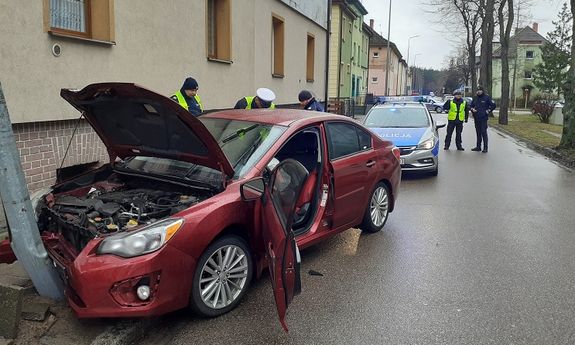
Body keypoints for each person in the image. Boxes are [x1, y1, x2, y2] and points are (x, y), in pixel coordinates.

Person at [470, 86, 496, 153]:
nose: (479, 91)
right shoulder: (475, 98)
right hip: (476, 118)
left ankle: (485, 148)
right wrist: (472, 109)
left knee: (483, 132)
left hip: (483, 118)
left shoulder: (487, 97)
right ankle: (478, 147)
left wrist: (488, 111)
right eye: (478, 90)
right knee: (478, 133)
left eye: (480, 90)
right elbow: (471, 105)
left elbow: (493, 105)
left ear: (482, 91)